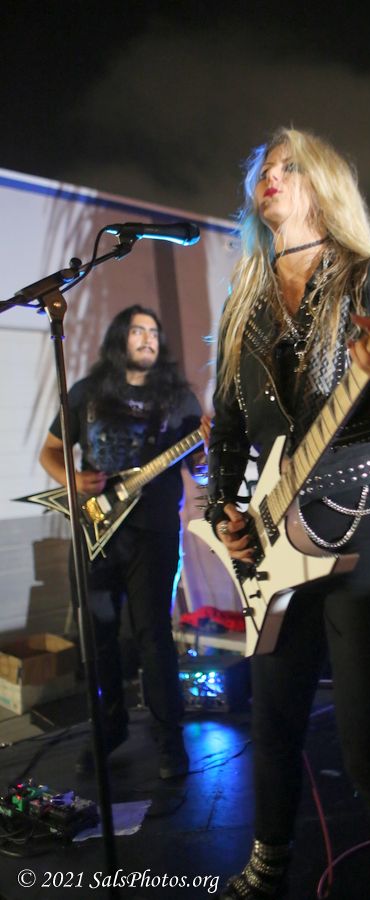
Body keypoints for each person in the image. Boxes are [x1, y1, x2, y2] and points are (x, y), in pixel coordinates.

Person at [205, 127, 370, 899]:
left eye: (289, 167)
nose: (272, 176)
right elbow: (228, 429)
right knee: (273, 725)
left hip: (368, 526)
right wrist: (225, 511)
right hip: (275, 547)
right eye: (264, 169)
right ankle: (266, 869)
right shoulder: (244, 304)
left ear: (321, 184)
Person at [39, 305, 209, 780]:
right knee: (99, 639)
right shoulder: (86, 393)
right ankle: (107, 730)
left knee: (154, 635)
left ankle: (169, 739)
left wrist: (206, 448)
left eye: (154, 332)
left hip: (153, 534)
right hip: (95, 533)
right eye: (138, 331)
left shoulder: (179, 399)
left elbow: (197, 470)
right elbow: (50, 452)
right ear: (120, 339)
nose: (148, 338)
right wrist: (73, 480)